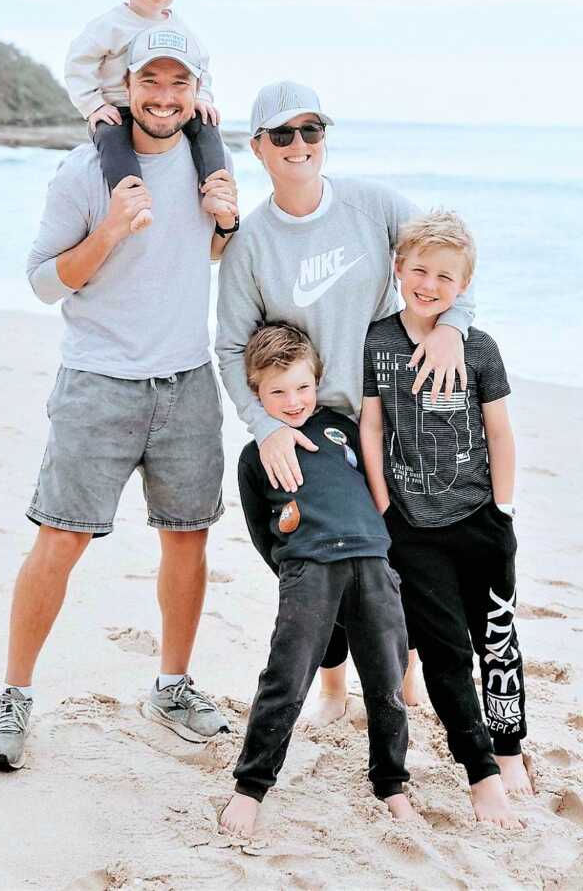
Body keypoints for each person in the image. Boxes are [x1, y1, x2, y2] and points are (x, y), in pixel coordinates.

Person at [0, 33, 239, 771]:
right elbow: (44, 280)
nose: (163, 94)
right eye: (148, 79)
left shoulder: (210, 161)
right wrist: (111, 230)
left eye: (177, 81)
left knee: (188, 539)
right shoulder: (86, 171)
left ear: (194, 89)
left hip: (186, 382)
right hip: (98, 381)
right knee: (60, 539)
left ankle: (172, 686)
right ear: (124, 86)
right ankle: (13, 695)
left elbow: (204, 254)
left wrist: (226, 223)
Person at [215, 80, 474, 723]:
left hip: (395, 411)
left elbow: (447, 270)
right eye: (282, 135)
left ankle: (406, 672)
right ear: (258, 148)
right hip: (314, 426)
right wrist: (263, 426)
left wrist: (451, 329)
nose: (299, 145)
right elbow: (229, 348)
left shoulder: (375, 206)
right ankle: (332, 684)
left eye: (311, 130)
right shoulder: (249, 244)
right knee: (319, 557)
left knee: (409, 551)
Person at [360, 208, 531, 829]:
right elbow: (372, 425)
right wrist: (383, 505)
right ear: (399, 269)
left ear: (463, 288)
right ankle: (482, 774)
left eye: (445, 277)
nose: (429, 285)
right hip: (412, 526)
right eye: (420, 271)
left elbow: (499, 431)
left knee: (498, 642)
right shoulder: (378, 342)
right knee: (445, 651)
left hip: (481, 519)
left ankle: (510, 750)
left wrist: (504, 509)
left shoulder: (480, 349)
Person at [220, 324, 413, 838]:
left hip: (372, 559)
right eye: (276, 391)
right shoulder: (255, 456)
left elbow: (379, 482)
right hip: (308, 567)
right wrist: (293, 566)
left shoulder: (341, 429)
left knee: (385, 682)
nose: (292, 400)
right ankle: (251, 786)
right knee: (285, 677)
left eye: (302, 387)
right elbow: (262, 531)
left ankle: (391, 783)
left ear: (318, 380)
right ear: (256, 393)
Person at [64, 0, 231, 229]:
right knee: (112, 141)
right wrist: (93, 106)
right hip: (116, 107)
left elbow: (201, 65)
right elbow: (79, 64)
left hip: (166, 107)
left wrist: (203, 98)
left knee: (207, 125)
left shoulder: (178, 26)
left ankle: (215, 188)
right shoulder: (110, 25)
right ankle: (132, 202)